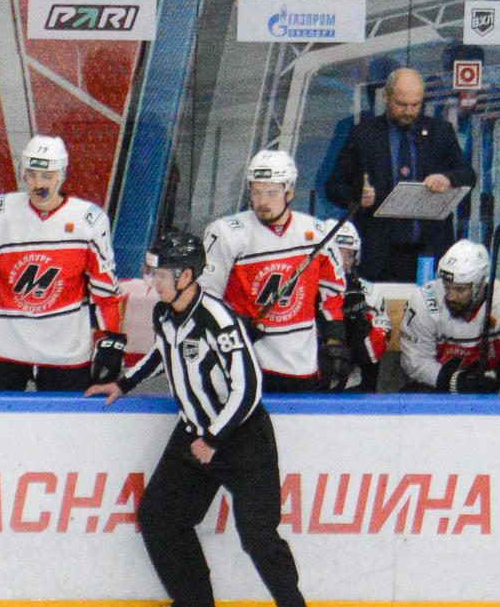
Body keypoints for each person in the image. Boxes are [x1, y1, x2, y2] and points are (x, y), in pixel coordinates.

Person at [85, 230, 310, 607]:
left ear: (187, 275)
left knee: (257, 534)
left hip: (241, 438)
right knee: (159, 516)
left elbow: (249, 389)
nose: (153, 281)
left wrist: (214, 438)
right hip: (194, 434)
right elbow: (161, 353)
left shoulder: (218, 320)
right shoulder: (166, 314)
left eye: (161, 274)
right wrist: (124, 383)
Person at [0, 135, 121, 392]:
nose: (38, 184)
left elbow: (105, 291)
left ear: (62, 175)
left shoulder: (88, 220)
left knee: (64, 430)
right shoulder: (0, 211)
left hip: (64, 352)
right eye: (31, 175)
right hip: (3, 345)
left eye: (46, 176)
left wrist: (110, 341)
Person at [203, 150, 351, 394]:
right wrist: (232, 326)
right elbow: (205, 296)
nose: (262, 201)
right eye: (257, 192)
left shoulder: (316, 233)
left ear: (289, 193)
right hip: (245, 360)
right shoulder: (227, 233)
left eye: (272, 193)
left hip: (302, 365)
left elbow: (332, 294)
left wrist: (333, 340)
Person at [322, 66, 475, 285]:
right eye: (401, 104)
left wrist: (447, 179)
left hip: (430, 251)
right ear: (386, 97)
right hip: (378, 254)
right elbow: (333, 186)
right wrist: (358, 196)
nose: (408, 111)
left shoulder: (441, 131)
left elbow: (468, 175)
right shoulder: (364, 135)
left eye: (415, 105)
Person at [397, 239, 500, 393]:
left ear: (479, 284)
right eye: (447, 287)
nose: (451, 296)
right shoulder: (425, 302)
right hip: (439, 391)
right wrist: (458, 383)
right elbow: (415, 362)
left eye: (460, 289)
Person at [329, 226, 391, 392]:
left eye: (348, 255)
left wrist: (358, 321)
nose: (342, 262)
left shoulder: (371, 294)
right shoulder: (308, 290)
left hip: (358, 384)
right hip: (317, 384)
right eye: (336, 254)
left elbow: (373, 356)